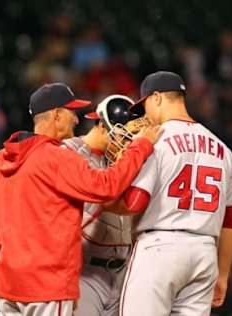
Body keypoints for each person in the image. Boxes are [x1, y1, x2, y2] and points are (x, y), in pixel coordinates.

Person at [0, 83, 161, 316]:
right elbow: (106, 187)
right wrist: (141, 146)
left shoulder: (3, 158)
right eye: (71, 112)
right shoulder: (57, 158)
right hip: (47, 286)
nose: (76, 120)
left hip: (9, 284)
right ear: (57, 115)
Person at [106, 72, 232, 315]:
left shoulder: (155, 141)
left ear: (156, 98)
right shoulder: (223, 150)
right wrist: (223, 274)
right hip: (204, 254)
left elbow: (134, 202)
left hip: (160, 248)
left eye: (145, 103)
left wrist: (102, 200)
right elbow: (231, 220)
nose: (145, 113)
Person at [62, 94, 138, 316]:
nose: (127, 142)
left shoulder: (120, 158)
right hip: (85, 272)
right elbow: (105, 195)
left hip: (122, 271)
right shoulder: (69, 151)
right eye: (122, 136)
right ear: (103, 127)